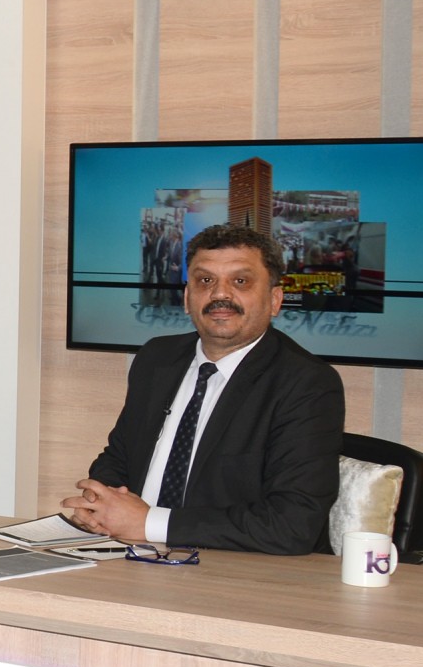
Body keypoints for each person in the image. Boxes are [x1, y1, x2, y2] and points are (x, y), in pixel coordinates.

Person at [62, 223, 344, 554]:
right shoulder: (156, 358)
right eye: (205, 281)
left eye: (240, 281)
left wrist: (150, 523)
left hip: (231, 567)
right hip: (129, 552)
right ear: (187, 298)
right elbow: (120, 456)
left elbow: (293, 524)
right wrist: (105, 505)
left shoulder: (306, 383)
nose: (220, 294)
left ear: (274, 300)